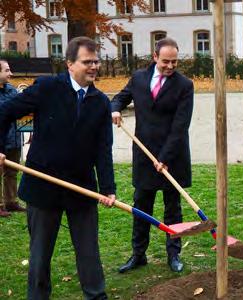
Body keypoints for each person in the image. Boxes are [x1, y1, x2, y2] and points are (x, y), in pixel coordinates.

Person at [0, 37, 116, 300]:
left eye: (96, 61)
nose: (94, 66)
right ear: (70, 64)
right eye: (87, 62)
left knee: (89, 253)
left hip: (81, 187)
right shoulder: (47, 88)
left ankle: (96, 296)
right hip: (43, 187)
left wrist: (108, 188)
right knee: (40, 255)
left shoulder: (100, 102)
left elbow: (102, 150)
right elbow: (5, 112)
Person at [112, 37, 193, 274]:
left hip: (172, 156)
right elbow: (119, 98)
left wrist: (165, 157)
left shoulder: (184, 85)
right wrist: (115, 109)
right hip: (145, 156)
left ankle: (173, 254)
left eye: (174, 62)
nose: (170, 66)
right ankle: (138, 255)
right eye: (166, 61)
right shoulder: (138, 78)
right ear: (155, 57)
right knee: (141, 207)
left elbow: (181, 126)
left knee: (172, 210)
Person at [0, 60, 25, 217]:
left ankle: (11, 201)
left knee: (12, 172)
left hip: (14, 138)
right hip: (1, 140)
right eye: (7, 70)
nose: (11, 73)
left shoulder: (11, 90)